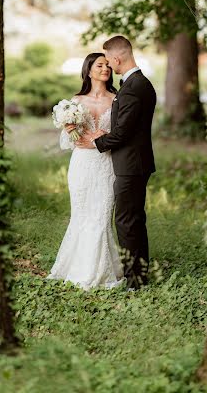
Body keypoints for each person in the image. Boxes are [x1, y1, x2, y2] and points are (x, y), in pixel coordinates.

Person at [75, 36, 156, 290]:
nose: (109, 66)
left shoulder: (134, 87)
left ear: (117, 58)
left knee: (127, 222)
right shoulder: (136, 84)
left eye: (109, 60)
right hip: (133, 163)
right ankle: (138, 275)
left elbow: (122, 133)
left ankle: (135, 281)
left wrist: (95, 143)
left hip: (131, 165)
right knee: (132, 220)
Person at [47, 52, 124, 290]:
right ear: (89, 70)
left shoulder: (117, 99)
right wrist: (71, 130)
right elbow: (68, 142)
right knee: (81, 215)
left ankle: (100, 271)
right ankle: (76, 268)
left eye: (107, 65)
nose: (105, 69)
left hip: (107, 164)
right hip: (82, 166)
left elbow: (123, 133)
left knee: (101, 217)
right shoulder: (75, 102)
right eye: (99, 65)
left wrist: (105, 137)